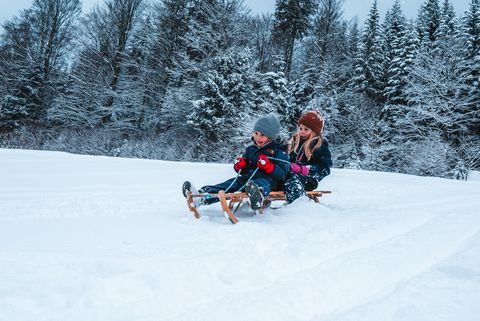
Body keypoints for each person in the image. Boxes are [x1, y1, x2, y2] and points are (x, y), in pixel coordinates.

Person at [182, 113, 290, 210]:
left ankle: (258, 196)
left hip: (268, 182)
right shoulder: (251, 150)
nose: (258, 137)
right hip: (247, 179)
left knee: (260, 183)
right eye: (256, 133)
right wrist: (240, 166)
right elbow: (243, 170)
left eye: (262, 135)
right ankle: (202, 196)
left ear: (271, 137)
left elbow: (282, 174)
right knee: (230, 184)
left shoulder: (279, 152)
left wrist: (268, 166)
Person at [282, 110, 332, 204]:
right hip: (290, 175)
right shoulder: (294, 141)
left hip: (308, 179)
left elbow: (324, 168)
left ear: (314, 131)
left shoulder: (318, 146)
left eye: (306, 129)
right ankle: (261, 191)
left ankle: (296, 204)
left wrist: (304, 169)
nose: (302, 132)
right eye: (300, 128)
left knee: (292, 180)